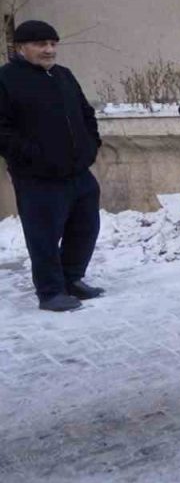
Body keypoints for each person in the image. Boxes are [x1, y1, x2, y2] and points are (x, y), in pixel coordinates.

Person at [0, 20, 103, 312]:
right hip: (37, 176)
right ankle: (50, 292)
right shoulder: (6, 80)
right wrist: (33, 155)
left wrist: (90, 145)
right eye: (41, 44)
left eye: (53, 44)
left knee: (85, 227)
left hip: (77, 171)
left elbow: (86, 114)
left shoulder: (63, 76)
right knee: (43, 234)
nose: (49, 50)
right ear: (21, 48)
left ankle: (71, 279)